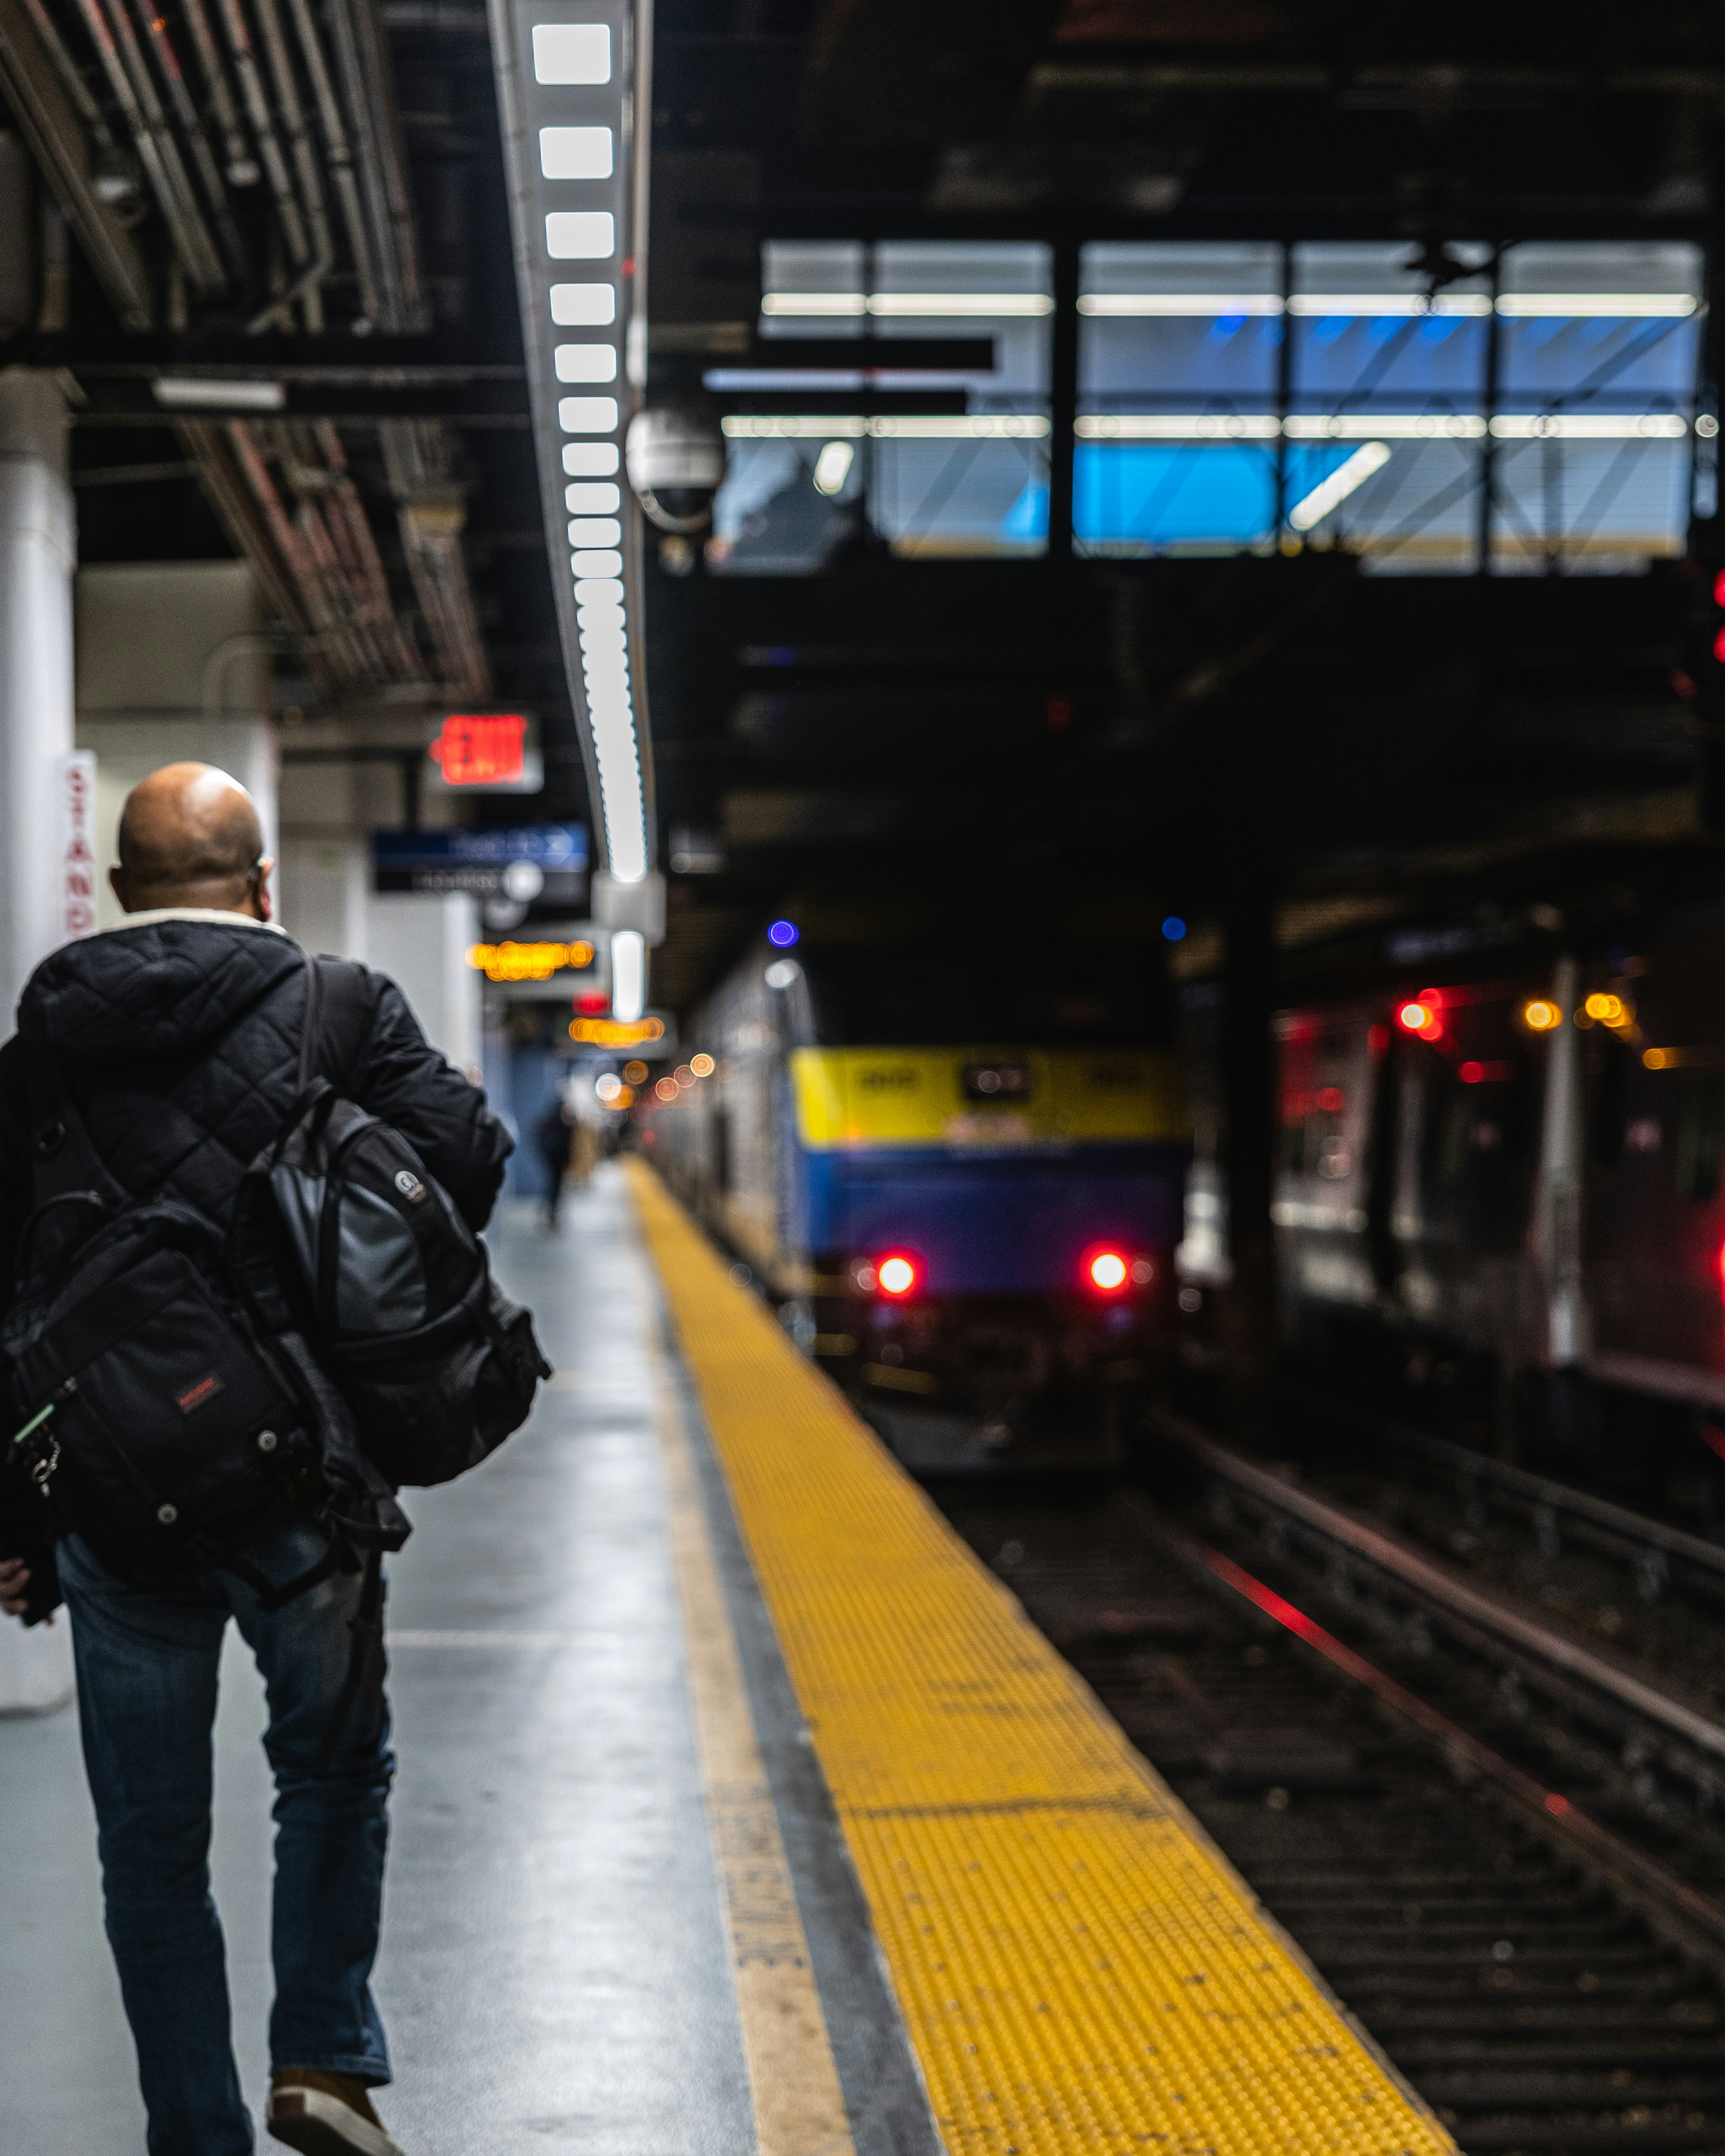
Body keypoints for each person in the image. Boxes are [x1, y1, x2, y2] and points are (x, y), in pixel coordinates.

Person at [0, 763, 511, 2156]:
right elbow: (464, 1160)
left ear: (115, 890)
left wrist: (13, 1508)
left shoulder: (40, 1039)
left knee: (149, 1837)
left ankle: (193, 2128)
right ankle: (323, 2059)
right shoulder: (337, 1004)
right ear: (260, 880)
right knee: (332, 1766)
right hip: (303, 1465)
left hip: (109, 1488)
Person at [534, 1093, 575, 1228]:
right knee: (555, 1187)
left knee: (553, 1186)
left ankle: (550, 1212)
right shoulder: (561, 1124)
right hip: (557, 1161)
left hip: (552, 1160)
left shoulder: (550, 1122)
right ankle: (552, 1213)